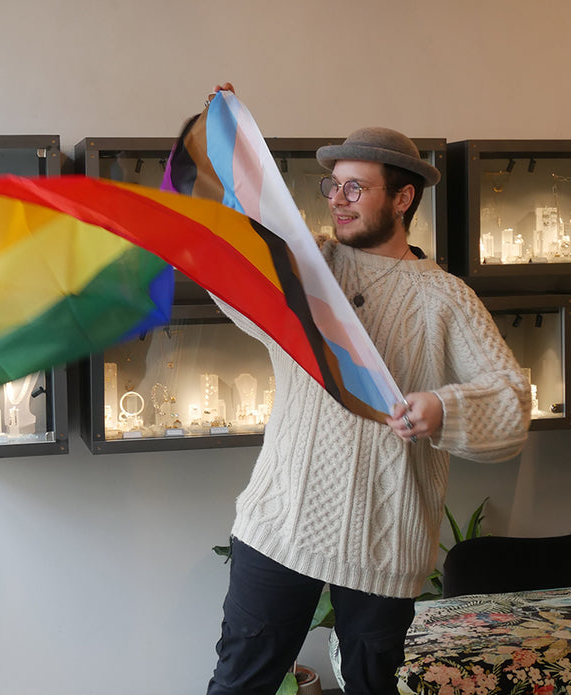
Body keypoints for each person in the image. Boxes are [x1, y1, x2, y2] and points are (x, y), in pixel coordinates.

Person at [204, 84, 531, 695]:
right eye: (334, 186)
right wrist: (228, 137)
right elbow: (234, 280)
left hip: (386, 548)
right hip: (282, 525)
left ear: (403, 197)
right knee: (237, 687)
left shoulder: (446, 298)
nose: (338, 199)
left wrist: (442, 409)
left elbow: (512, 408)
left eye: (356, 187)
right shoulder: (307, 267)